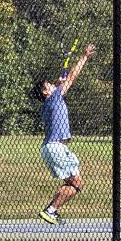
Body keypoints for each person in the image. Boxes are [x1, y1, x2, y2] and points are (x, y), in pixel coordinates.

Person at [35, 43, 95, 225]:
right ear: (46, 92)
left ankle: (51, 211)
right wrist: (84, 57)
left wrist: (58, 85)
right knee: (76, 183)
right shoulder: (53, 98)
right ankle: (50, 210)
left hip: (51, 148)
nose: (53, 85)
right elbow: (72, 76)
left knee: (74, 183)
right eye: (49, 85)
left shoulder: (49, 102)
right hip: (55, 147)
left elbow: (61, 84)